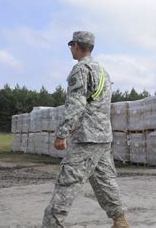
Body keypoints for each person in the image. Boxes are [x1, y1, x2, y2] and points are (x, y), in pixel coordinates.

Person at [43, 31, 129, 228]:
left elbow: (76, 104)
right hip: (103, 136)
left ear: (76, 46)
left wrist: (62, 133)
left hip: (87, 137)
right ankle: (120, 220)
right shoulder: (102, 71)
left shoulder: (80, 69)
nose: (71, 49)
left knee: (67, 182)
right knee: (104, 180)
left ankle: (52, 224)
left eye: (71, 46)